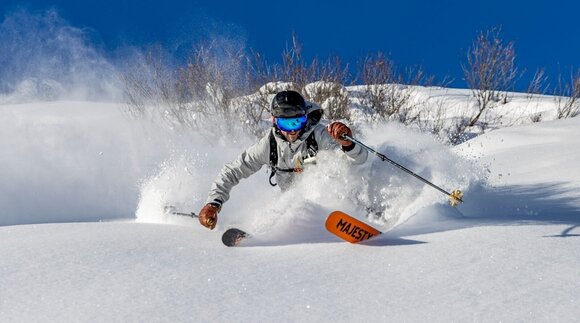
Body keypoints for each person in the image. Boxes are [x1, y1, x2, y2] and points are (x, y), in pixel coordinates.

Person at [197, 90, 368, 229]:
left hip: (331, 193)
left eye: (298, 123)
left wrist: (346, 142)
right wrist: (213, 203)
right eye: (287, 125)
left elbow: (360, 161)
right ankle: (266, 228)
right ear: (275, 122)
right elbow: (233, 171)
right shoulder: (269, 146)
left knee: (332, 168)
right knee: (285, 208)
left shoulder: (319, 135)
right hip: (294, 200)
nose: (293, 131)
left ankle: (364, 212)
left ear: (305, 118)